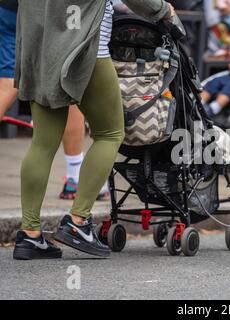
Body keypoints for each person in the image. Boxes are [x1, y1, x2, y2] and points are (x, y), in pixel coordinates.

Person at [13, 0, 175, 260]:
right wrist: (162, 10)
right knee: (110, 133)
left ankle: (29, 234)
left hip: (39, 46)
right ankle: (78, 221)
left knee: (42, 143)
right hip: (85, 48)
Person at [0, 0, 109, 201]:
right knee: (70, 84)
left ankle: (32, 226)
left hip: (12, 8)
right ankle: (75, 177)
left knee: (7, 83)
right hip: (53, 12)